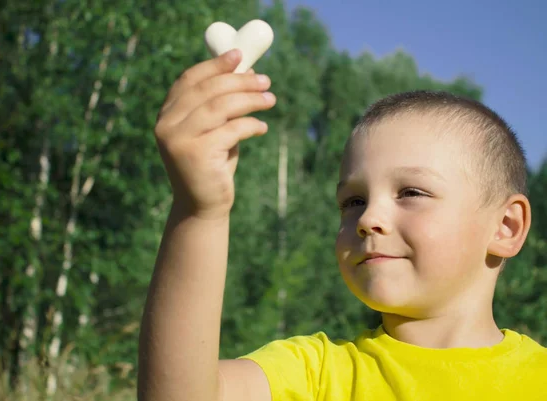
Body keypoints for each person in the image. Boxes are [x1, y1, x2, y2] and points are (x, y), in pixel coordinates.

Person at [138, 49, 547, 401]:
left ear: (506, 227)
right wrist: (199, 211)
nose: (368, 218)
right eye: (353, 201)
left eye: (411, 193)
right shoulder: (315, 374)